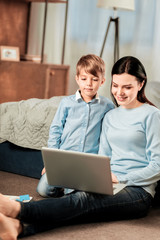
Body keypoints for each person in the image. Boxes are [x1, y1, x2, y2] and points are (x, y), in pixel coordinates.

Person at [0, 56, 160, 240]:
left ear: (141, 84)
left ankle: (18, 209)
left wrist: (120, 177)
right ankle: (18, 228)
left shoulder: (152, 115)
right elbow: (104, 156)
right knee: (81, 205)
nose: (119, 92)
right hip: (108, 183)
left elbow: (157, 165)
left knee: (83, 201)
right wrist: (95, 177)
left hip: (137, 190)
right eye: (115, 85)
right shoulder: (110, 116)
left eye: (127, 87)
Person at [36, 54, 114, 197]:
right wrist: (51, 163)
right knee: (43, 190)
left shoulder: (107, 106)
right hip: (63, 161)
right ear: (77, 78)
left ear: (102, 81)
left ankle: (71, 188)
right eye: (84, 79)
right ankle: (64, 186)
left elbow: (110, 134)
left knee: (80, 193)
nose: (89, 84)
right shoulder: (66, 103)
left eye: (94, 79)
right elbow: (55, 130)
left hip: (88, 163)